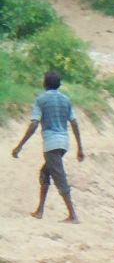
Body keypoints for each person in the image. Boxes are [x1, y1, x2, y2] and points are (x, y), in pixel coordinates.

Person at [10, 69, 84, 222]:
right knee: (45, 173)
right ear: (59, 84)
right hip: (64, 143)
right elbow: (74, 122)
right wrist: (80, 148)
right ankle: (40, 210)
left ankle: (73, 215)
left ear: (44, 83)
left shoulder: (41, 100)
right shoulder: (66, 100)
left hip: (51, 143)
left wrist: (20, 145)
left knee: (59, 177)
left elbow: (34, 124)